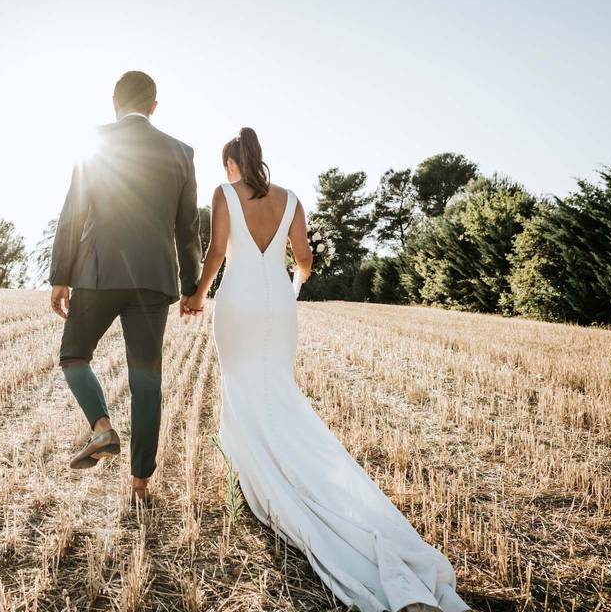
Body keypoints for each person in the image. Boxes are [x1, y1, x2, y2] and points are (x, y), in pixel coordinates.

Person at [184, 128, 469, 612]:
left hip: (238, 303)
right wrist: (293, 283)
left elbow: (216, 253)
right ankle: (293, 469)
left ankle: (262, 476)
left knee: (243, 389)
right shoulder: (292, 199)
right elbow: (305, 258)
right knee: (279, 391)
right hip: (278, 307)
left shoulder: (223, 194)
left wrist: (196, 294)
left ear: (231, 164)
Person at [49, 70, 201, 504]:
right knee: (147, 380)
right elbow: (187, 227)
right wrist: (192, 287)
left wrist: (61, 274)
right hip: (154, 279)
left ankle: (101, 429)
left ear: (114, 101)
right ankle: (140, 484)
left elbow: (73, 212)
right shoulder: (181, 152)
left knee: (74, 356)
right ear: (155, 106)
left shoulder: (94, 141)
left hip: (98, 273)